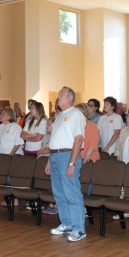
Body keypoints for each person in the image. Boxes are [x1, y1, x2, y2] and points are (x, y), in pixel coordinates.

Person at [46, 87, 87, 242]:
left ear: (70, 97)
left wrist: (72, 163)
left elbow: (78, 140)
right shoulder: (59, 116)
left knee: (72, 193)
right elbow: (55, 140)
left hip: (67, 156)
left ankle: (79, 228)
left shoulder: (75, 114)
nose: (58, 96)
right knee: (59, 193)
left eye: (62, 93)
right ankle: (67, 224)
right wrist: (50, 160)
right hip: (55, 156)